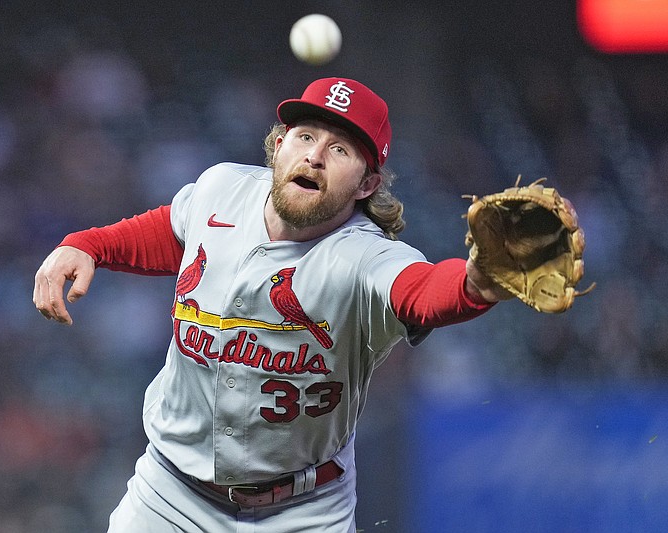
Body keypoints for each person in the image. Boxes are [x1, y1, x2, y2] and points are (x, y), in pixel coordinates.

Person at [33, 77, 512, 532]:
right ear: (279, 145)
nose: (315, 157)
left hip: (301, 512)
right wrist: (88, 244)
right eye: (305, 136)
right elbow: (170, 230)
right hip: (170, 495)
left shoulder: (365, 257)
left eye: (340, 149)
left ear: (367, 184)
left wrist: (481, 281)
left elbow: (425, 292)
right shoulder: (222, 190)